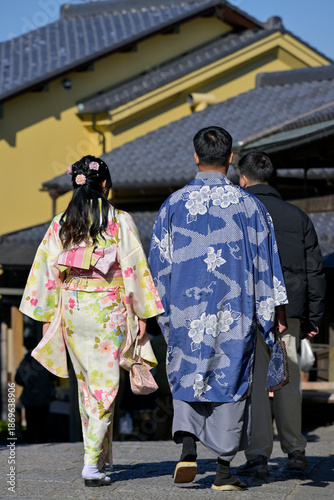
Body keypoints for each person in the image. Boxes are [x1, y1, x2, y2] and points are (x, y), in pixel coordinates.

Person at [149, 126, 288, 491]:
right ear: (230, 159)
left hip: (186, 309)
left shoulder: (174, 205)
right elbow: (265, 264)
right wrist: (269, 317)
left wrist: (161, 311)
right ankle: (224, 472)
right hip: (234, 308)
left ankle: (188, 447)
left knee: (187, 369)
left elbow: (158, 268)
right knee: (231, 377)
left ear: (195, 157)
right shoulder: (250, 205)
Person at [19, 155, 163, 487]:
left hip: (71, 307)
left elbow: (46, 270)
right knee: (106, 386)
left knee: (87, 386)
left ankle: (97, 458)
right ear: (105, 184)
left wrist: (46, 317)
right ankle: (90, 465)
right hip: (106, 307)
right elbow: (133, 266)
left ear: (76, 184)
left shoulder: (61, 222)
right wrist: (142, 312)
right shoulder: (118, 219)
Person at [238, 151, 326, 477]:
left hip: (249, 310)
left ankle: (258, 455)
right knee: (288, 382)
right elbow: (314, 271)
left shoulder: (240, 215)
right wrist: (314, 315)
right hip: (288, 311)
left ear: (243, 179)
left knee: (257, 382)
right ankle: (296, 452)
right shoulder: (297, 216)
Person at [15, 336, 56, 443]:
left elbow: (18, 378)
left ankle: (31, 443)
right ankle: (42, 442)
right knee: (42, 423)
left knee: (31, 423)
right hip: (44, 395)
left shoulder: (26, 361)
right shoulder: (43, 359)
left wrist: (28, 383)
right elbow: (54, 376)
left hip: (30, 397)